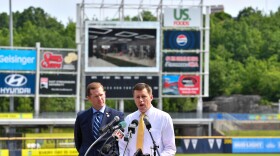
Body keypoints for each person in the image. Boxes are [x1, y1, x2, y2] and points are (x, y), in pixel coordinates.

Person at [119, 83, 176, 156]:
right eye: (137, 97)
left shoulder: (164, 118)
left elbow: (170, 148)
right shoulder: (129, 119)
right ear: (134, 99)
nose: (140, 100)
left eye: (143, 96)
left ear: (151, 97)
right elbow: (123, 146)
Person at [74, 82, 124, 156]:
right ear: (89, 98)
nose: (100, 98)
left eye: (101, 95)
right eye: (96, 96)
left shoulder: (116, 116)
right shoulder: (81, 116)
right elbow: (78, 140)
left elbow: (121, 141)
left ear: (105, 94)